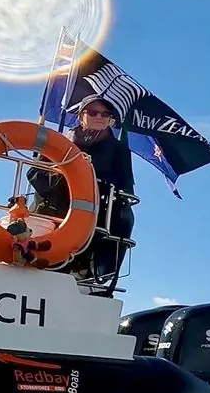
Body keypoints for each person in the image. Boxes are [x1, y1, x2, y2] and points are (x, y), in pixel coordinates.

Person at [26, 93, 136, 281]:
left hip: (95, 215)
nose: (100, 117)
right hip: (52, 210)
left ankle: (92, 270)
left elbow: (125, 186)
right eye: (93, 112)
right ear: (80, 116)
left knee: (124, 219)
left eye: (106, 114)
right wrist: (62, 175)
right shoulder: (59, 143)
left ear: (110, 119)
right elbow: (35, 174)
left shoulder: (119, 150)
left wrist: (93, 183)